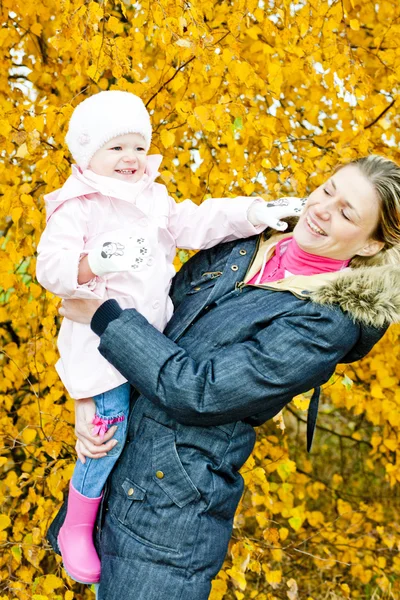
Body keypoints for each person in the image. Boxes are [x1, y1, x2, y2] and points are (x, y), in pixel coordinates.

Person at [48, 154, 400, 600]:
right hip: (110, 472)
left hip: (170, 513)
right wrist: (90, 395)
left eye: (348, 212)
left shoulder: (326, 322)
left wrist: (107, 321)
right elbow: (151, 308)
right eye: (328, 189)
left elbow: (201, 391)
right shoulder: (247, 243)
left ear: (369, 246)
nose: (323, 209)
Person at [36, 90, 306, 584]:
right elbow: (50, 269)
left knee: (130, 426)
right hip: (99, 345)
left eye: (139, 147)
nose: (131, 158)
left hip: (150, 339)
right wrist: (95, 261)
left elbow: (195, 222)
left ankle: (101, 517)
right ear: (86, 153)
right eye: (117, 148)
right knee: (107, 433)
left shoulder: (153, 198)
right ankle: (76, 524)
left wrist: (251, 213)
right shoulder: (79, 206)